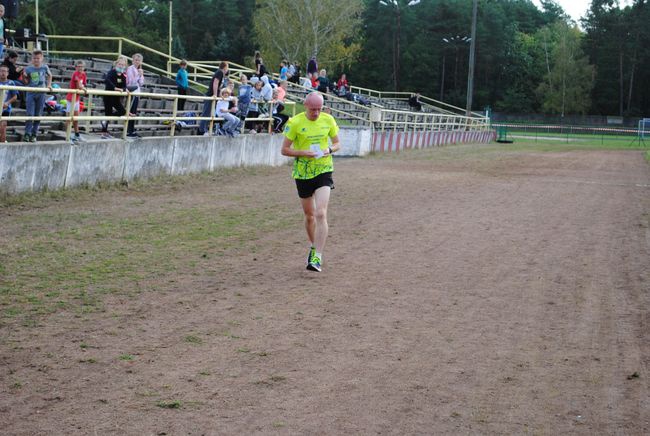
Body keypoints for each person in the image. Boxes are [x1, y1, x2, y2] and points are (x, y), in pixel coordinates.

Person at [281, 92, 341, 272]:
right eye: (313, 109)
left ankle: (317, 256)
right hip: (303, 173)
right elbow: (284, 150)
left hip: (323, 169)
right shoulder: (295, 123)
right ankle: (313, 246)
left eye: (319, 109)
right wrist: (304, 153)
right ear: (305, 106)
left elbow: (338, 144)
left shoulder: (328, 120)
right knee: (310, 215)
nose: (316, 113)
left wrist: (329, 149)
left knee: (321, 213)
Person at [22, 49, 52, 142]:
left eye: (38, 58)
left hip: (41, 93)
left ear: (41, 58)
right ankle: (27, 133)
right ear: (32, 59)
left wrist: (49, 85)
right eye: (34, 58)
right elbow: (26, 82)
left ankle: (34, 134)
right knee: (30, 114)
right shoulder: (28, 69)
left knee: (38, 114)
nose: (36, 60)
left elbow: (50, 75)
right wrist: (23, 76)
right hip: (31, 93)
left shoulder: (45, 67)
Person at [101, 56, 128, 139]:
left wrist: (123, 90)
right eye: (120, 64)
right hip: (108, 96)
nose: (121, 66)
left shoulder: (123, 75)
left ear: (125, 65)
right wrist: (115, 88)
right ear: (116, 64)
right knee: (108, 113)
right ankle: (104, 133)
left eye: (123, 65)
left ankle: (104, 121)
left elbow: (124, 86)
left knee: (122, 111)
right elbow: (107, 81)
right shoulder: (112, 72)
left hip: (116, 98)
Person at [199, 61, 228, 135]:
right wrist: (215, 94)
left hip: (212, 95)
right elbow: (215, 83)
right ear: (225, 67)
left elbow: (218, 86)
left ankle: (204, 129)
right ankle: (202, 130)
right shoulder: (220, 72)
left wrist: (219, 95)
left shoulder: (220, 73)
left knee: (210, 114)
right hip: (210, 95)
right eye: (227, 67)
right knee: (206, 113)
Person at [65, 60, 88, 142]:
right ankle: (68, 135)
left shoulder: (84, 74)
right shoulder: (75, 74)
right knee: (69, 118)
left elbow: (84, 83)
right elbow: (79, 85)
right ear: (76, 67)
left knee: (76, 118)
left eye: (82, 66)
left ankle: (76, 134)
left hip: (77, 98)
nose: (80, 68)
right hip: (71, 98)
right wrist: (83, 89)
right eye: (78, 66)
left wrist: (84, 87)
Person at [126, 53, 145, 137]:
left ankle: (132, 130)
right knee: (130, 112)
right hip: (131, 93)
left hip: (137, 93)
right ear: (133, 60)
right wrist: (138, 75)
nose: (137, 62)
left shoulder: (140, 70)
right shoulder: (130, 69)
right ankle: (128, 130)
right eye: (136, 60)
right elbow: (131, 81)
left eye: (139, 60)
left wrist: (141, 75)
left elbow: (141, 83)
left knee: (134, 112)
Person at [0, 64, 18, 142]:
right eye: (1, 71)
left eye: (4, 71)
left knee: (3, 127)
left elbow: (15, 97)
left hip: (5, 109)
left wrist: (7, 103)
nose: (2, 73)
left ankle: (2, 144)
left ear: (7, 73)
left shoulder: (11, 83)